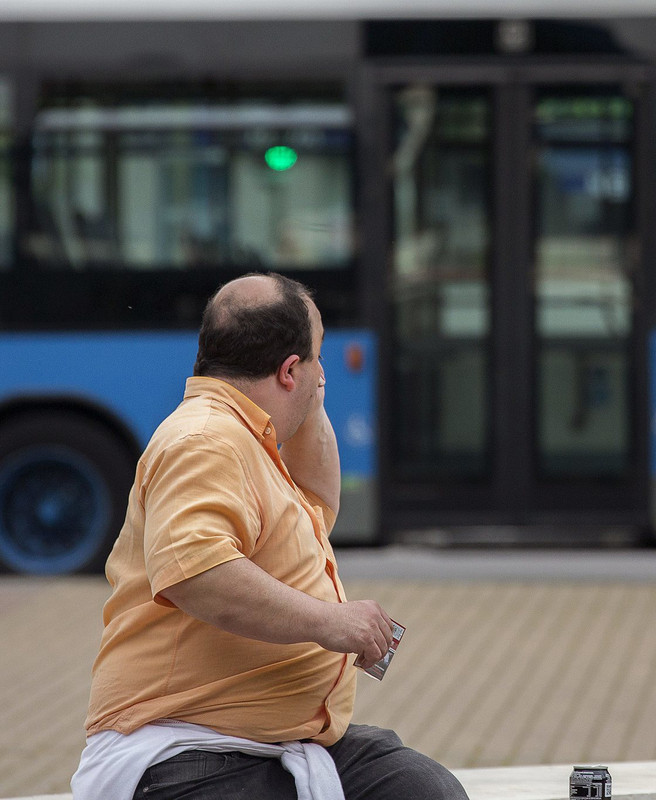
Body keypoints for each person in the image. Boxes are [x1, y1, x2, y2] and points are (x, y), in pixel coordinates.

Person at [72, 273, 468, 800]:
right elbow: (198, 574)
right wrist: (332, 622)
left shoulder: (247, 435)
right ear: (288, 370)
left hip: (269, 743)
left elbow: (317, 506)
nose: (321, 374)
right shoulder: (205, 440)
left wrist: (309, 392)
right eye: (316, 359)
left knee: (421, 789)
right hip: (183, 750)